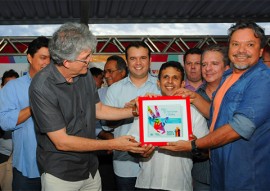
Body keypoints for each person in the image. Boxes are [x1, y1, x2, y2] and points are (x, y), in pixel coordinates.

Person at [28, 23, 148, 191]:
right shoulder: (42, 86)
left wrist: (135, 110)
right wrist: (114, 144)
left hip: (90, 169)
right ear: (67, 61)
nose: (90, 60)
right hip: (61, 174)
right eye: (86, 57)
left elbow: (98, 110)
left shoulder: (83, 75)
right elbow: (62, 142)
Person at [161, 21, 270, 190]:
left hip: (246, 173)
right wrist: (194, 97)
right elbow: (216, 115)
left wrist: (194, 145)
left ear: (261, 50)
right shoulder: (228, 77)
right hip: (219, 167)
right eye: (235, 44)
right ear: (230, 48)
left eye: (249, 44)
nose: (241, 50)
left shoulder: (263, 80)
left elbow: (239, 127)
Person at [128, 61, 209, 191]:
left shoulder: (194, 113)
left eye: (175, 78)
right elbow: (131, 146)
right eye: (165, 77)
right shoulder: (146, 110)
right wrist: (141, 152)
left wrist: (194, 145)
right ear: (158, 83)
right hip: (146, 184)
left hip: (179, 185)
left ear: (183, 84)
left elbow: (206, 153)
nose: (170, 81)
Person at [103, 41, 160, 190]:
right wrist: (125, 111)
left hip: (156, 162)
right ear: (127, 62)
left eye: (143, 58)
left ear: (150, 60)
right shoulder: (114, 89)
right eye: (133, 59)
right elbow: (106, 125)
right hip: (125, 164)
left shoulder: (162, 87)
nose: (138, 63)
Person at [0, 36, 50, 191]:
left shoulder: (59, 86)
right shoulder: (13, 87)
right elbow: (5, 122)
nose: (47, 63)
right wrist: (33, 106)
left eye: (50, 59)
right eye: (43, 58)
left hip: (56, 168)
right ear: (29, 57)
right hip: (27, 168)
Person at [192, 44, 230, 191]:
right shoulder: (192, 97)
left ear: (227, 68)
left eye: (214, 64)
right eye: (204, 64)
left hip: (230, 173)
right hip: (202, 175)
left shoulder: (237, 96)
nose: (208, 68)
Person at [96, 55, 128, 191]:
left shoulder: (131, 92)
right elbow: (92, 124)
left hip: (129, 155)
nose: (106, 75)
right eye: (105, 72)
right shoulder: (98, 94)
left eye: (110, 71)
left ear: (123, 72)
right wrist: (106, 136)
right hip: (105, 153)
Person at [0, 69, 19, 191]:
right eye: (8, 86)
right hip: (3, 155)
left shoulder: (28, 103)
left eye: (14, 86)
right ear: (2, 87)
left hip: (22, 157)